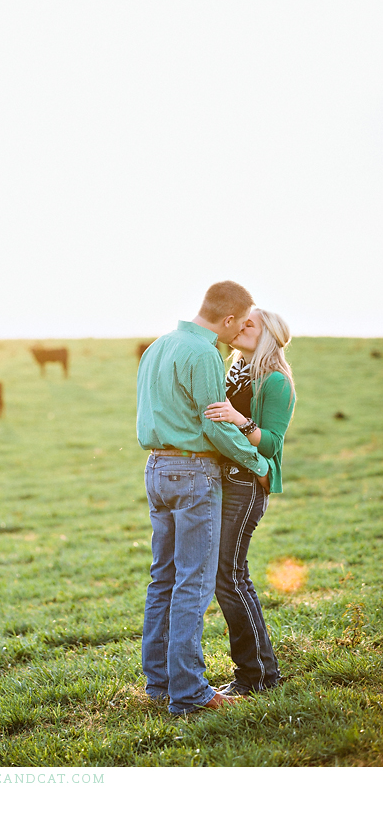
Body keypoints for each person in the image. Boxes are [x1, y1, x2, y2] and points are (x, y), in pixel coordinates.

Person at [136, 280, 270, 716]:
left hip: (156, 468)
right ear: (227, 319)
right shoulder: (204, 353)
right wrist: (257, 460)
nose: (241, 332)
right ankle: (190, 692)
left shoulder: (159, 345)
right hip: (193, 471)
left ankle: (159, 683)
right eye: (241, 324)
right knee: (193, 581)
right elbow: (214, 424)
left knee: (164, 579)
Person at [204, 308, 296, 696]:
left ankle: (255, 675)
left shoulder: (276, 381)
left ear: (268, 335)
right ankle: (259, 672)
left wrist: (239, 419)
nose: (241, 327)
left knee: (229, 576)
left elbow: (273, 442)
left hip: (246, 486)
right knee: (230, 576)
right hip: (224, 480)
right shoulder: (235, 373)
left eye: (250, 324)